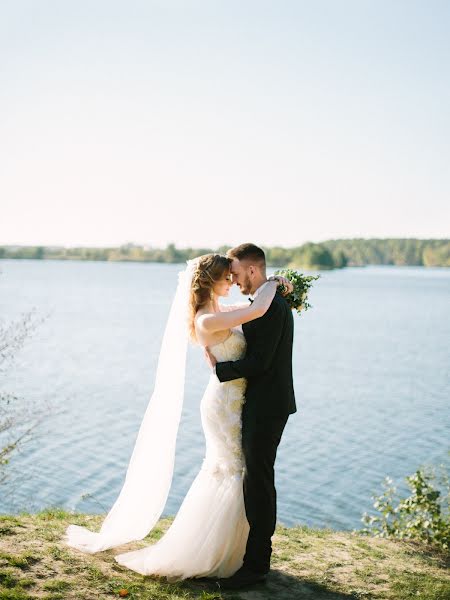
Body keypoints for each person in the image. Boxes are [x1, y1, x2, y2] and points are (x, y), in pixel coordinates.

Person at [64, 252, 293, 584]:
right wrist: (273, 282)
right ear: (212, 281)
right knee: (229, 471)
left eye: (233, 275)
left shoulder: (218, 310)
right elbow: (256, 310)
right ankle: (211, 552)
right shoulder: (205, 319)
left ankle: (233, 552)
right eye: (227, 276)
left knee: (235, 472)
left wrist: (279, 284)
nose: (232, 281)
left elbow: (252, 311)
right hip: (223, 403)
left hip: (236, 400)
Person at [204, 243, 296, 589]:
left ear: (253, 271)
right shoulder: (263, 303)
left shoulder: (270, 309)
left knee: (258, 482)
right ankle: (251, 556)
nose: (236, 280)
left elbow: (260, 363)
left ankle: (257, 564)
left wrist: (220, 370)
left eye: (238, 274)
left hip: (268, 405)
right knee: (256, 479)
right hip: (259, 403)